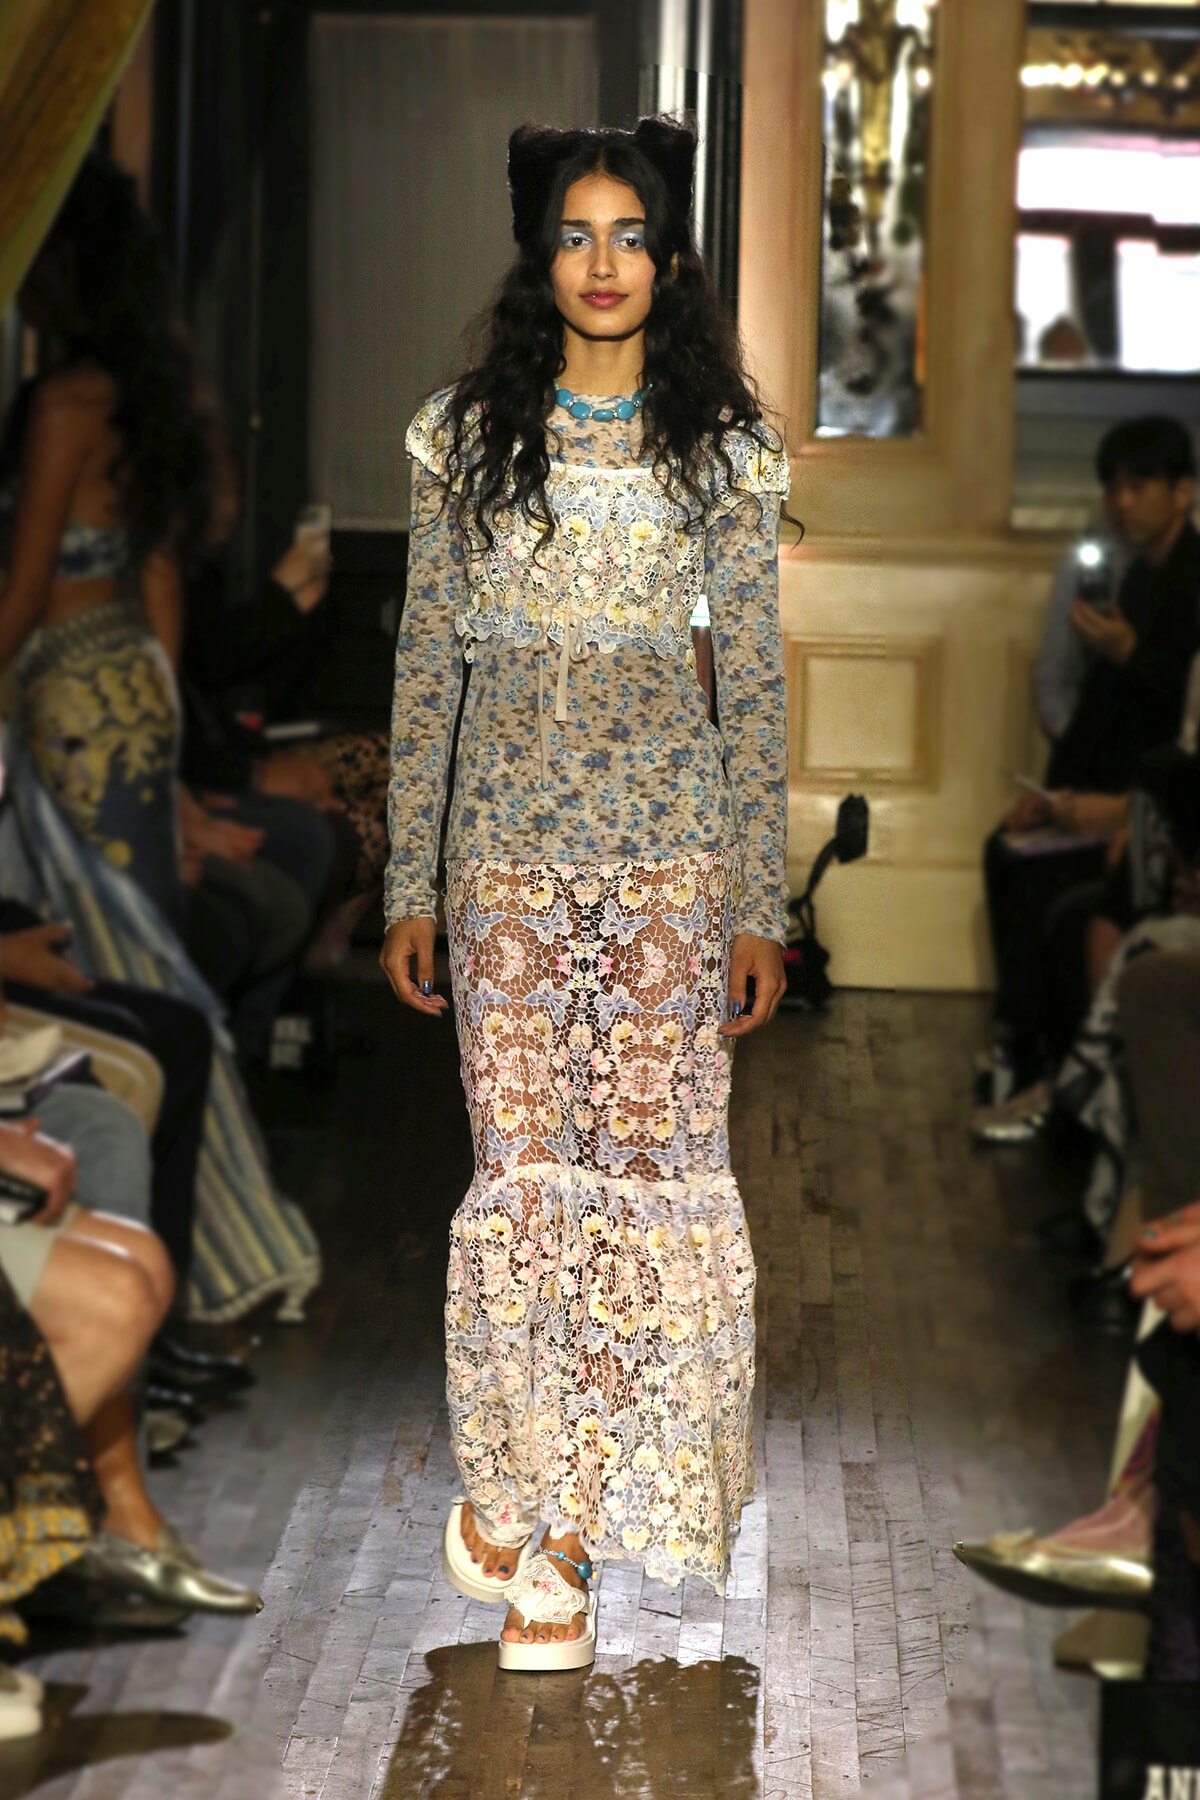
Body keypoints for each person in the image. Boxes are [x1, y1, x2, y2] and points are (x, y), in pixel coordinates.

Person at [381, 117, 789, 1670]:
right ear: (538, 258)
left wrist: (763, 904)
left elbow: (747, 685)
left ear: (670, 259)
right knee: (527, 1188)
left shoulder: (723, 458)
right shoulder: (459, 442)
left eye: (630, 234)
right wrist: (410, 879)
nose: (604, 262)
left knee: (644, 1198)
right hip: (502, 871)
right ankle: (522, 1501)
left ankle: (569, 1540)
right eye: (575, 234)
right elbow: (426, 669)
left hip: (675, 873)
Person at [0, 154, 320, 1321]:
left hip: (73, 705)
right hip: (131, 694)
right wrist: (180, 769)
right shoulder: (144, 397)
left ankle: (144, 1275)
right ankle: (169, 1274)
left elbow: (25, 591)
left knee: (111, 963)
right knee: (152, 957)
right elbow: (163, 598)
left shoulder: (65, 403)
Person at [979, 415, 1200, 1108]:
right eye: (1114, 487)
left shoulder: (1190, 582)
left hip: (1154, 811)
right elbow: (1100, 711)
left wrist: (1130, 654)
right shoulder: (1134, 579)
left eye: (1141, 486)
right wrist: (1052, 796)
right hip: (1106, 793)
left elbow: (1179, 731)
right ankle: (1023, 1046)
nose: (1123, 502)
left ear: (1184, 491)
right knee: (1007, 847)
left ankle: (1051, 1070)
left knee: (1051, 889)